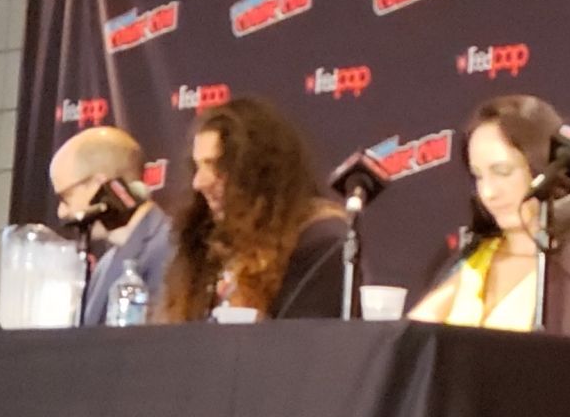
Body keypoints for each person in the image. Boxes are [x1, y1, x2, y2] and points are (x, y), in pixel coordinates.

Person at [409, 95, 570, 334]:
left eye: (503, 171)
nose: (488, 193)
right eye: (478, 176)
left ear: (545, 166)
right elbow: (410, 340)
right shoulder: (472, 258)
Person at [160, 96, 350, 322]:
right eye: (198, 167)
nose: (199, 183)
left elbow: (308, 338)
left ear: (261, 171)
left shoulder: (320, 241)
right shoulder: (206, 240)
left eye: (217, 166)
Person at [48, 125, 173, 326]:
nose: (61, 212)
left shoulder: (172, 248)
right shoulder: (105, 264)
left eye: (65, 197)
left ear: (99, 185)